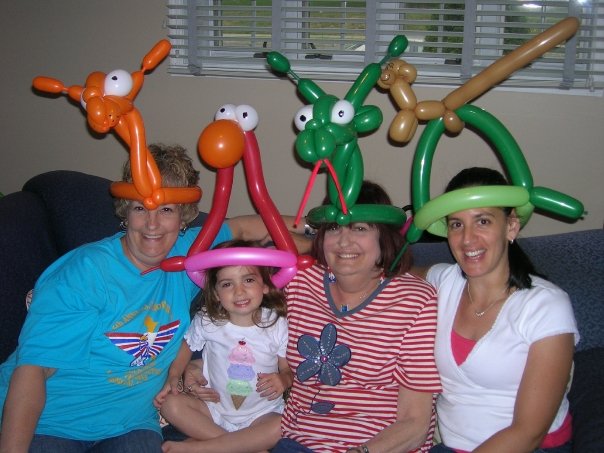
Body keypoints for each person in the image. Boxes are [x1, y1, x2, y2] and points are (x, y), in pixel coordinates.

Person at [0, 144, 266, 453]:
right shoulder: (85, 273)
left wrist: (323, 243)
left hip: (131, 423)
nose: (152, 224)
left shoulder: (188, 255)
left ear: (184, 218)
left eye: (166, 209)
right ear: (126, 211)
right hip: (52, 419)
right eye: (141, 207)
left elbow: (247, 226)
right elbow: (32, 371)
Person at [180, 180, 442, 453]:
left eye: (360, 228)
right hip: (295, 441)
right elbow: (237, 281)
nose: (343, 241)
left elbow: (415, 424)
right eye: (334, 228)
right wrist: (199, 366)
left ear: (384, 237)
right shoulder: (300, 281)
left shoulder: (415, 302)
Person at [414, 167, 578, 453]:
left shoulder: (546, 306)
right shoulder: (444, 281)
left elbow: (528, 433)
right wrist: (315, 246)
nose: (467, 239)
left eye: (483, 221)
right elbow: (380, 272)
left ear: (511, 226)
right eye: (456, 224)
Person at [154, 239, 293, 453]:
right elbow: (186, 347)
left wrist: (283, 380)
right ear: (217, 294)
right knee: (169, 405)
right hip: (214, 412)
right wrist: (174, 376)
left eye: (248, 280)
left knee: (281, 426)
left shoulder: (276, 323)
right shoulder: (208, 321)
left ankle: (202, 448)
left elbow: (287, 370)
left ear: (265, 285)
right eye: (227, 284)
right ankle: (244, 446)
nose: (239, 291)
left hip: (261, 414)